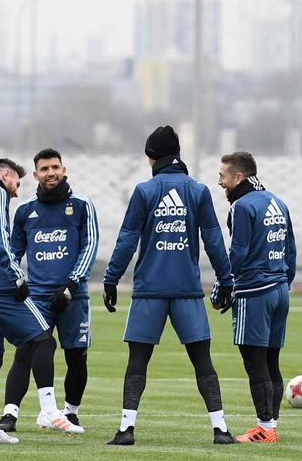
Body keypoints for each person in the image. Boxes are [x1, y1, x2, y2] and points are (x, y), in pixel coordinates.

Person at [102, 126, 237, 446]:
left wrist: (111, 278)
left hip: (149, 290)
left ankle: (126, 429)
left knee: (138, 359)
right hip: (187, 290)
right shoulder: (198, 191)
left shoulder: (144, 191)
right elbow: (213, 240)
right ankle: (220, 429)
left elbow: (127, 239)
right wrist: (226, 280)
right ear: (177, 154)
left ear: (151, 157)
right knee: (202, 359)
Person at [0, 158, 83, 444]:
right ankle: (49, 411)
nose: (15, 191)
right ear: (5, 175)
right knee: (43, 340)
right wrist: (17, 276)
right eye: (16, 183)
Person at [0, 148, 99, 432]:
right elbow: (13, 251)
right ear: (35, 175)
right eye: (44, 169)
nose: (51, 173)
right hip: (38, 297)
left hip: (73, 295)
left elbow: (90, 246)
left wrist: (71, 284)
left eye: (55, 167)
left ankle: (71, 413)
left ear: (63, 170)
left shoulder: (82, 205)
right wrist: (16, 281)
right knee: (25, 350)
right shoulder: (25, 211)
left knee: (76, 356)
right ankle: (10, 414)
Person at [214, 151, 297, 443]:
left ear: (239, 177)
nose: (219, 181)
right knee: (271, 361)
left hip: (255, 292)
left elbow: (238, 253)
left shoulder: (242, 206)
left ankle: (264, 428)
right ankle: (270, 426)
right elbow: (290, 249)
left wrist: (223, 285)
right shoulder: (278, 201)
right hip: (280, 289)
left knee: (255, 361)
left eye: (223, 175)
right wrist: (284, 281)